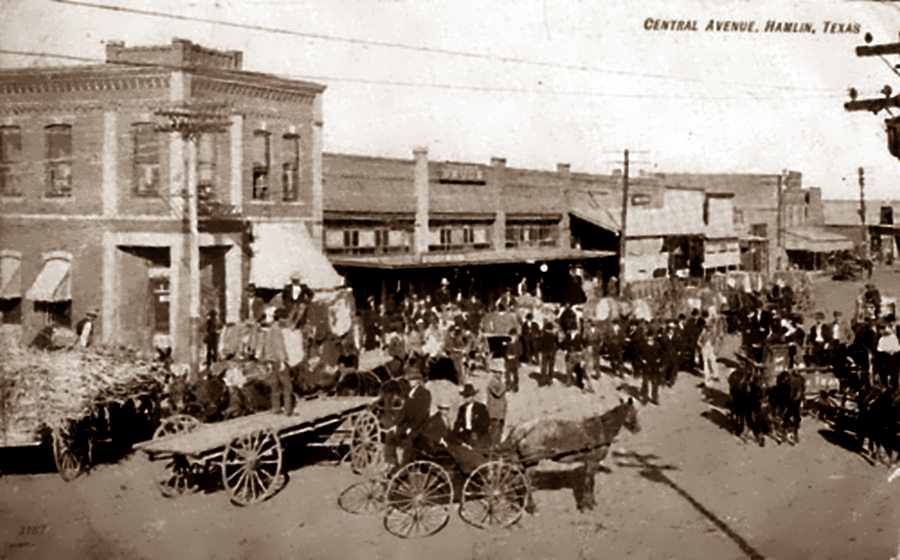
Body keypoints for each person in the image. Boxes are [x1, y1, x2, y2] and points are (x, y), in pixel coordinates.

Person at [384, 368, 432, 468]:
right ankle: (391, 463)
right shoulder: (410, 393)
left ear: (418, 380)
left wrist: (411, 428)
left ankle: (404, 468)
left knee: (408, 442)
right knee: (390, 435)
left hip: (419, 427)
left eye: (412, 380)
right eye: (409, 380)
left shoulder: (424, 393)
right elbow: (403, 412)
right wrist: (395, 425)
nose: (410, 382)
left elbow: (421, 414)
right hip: (407, 426)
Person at [453, 383, 490, 449]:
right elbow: (458, 422)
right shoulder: (462, 408)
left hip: (477, 434)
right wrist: (457, 430)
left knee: (474, 448)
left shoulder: (480, 407)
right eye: (465, 396)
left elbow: (486, 423)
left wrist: (477, 432)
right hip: (465, 433)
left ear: (473, 396)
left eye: (468, 396)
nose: (466, 399)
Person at [486, 370, 508, 446]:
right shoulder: (492, 383)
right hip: (494, 412)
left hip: (499, 411)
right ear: (495, 373)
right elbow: (498, 394)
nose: (500, 375)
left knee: (499, 430)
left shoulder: (498, 383)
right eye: (498, 373)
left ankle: (495, 446)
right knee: (494, 430)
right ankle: (493, 447)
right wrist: (504, 386)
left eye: (501, 373)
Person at [538, 321, 558, 387]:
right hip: (552, 352)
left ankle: (543, 380)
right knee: (551, 366)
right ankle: (550, 379)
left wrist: (540, 350)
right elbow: (557, 344)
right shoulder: (554, 336)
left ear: (546, 329)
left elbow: (540, 344)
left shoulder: (543, 336)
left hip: (545, 352)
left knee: (544, 366)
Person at [504, 327, 522, 392]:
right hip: (508, 361)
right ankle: (508, 385)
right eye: (511, 336)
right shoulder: (508, 343)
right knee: (507, 374)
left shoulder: (519, 343)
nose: (512, 337)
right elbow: (505, 352)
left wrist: (514, 356)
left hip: (515, 361)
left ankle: (515, 385)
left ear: (516, 336)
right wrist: (507, 356)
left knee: (515, 374)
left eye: (514, 336)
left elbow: (520, 352)